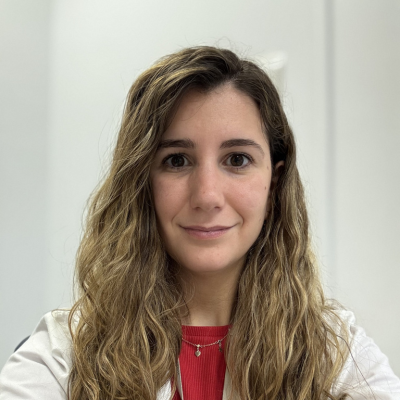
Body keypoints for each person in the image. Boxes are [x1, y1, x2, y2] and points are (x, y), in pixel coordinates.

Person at [0, 46, 399, 400]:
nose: (207, 195)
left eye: (237, 160)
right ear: (142, 183)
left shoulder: (336, 351)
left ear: (274, 184)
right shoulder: (64, 352)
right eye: (177, 160)